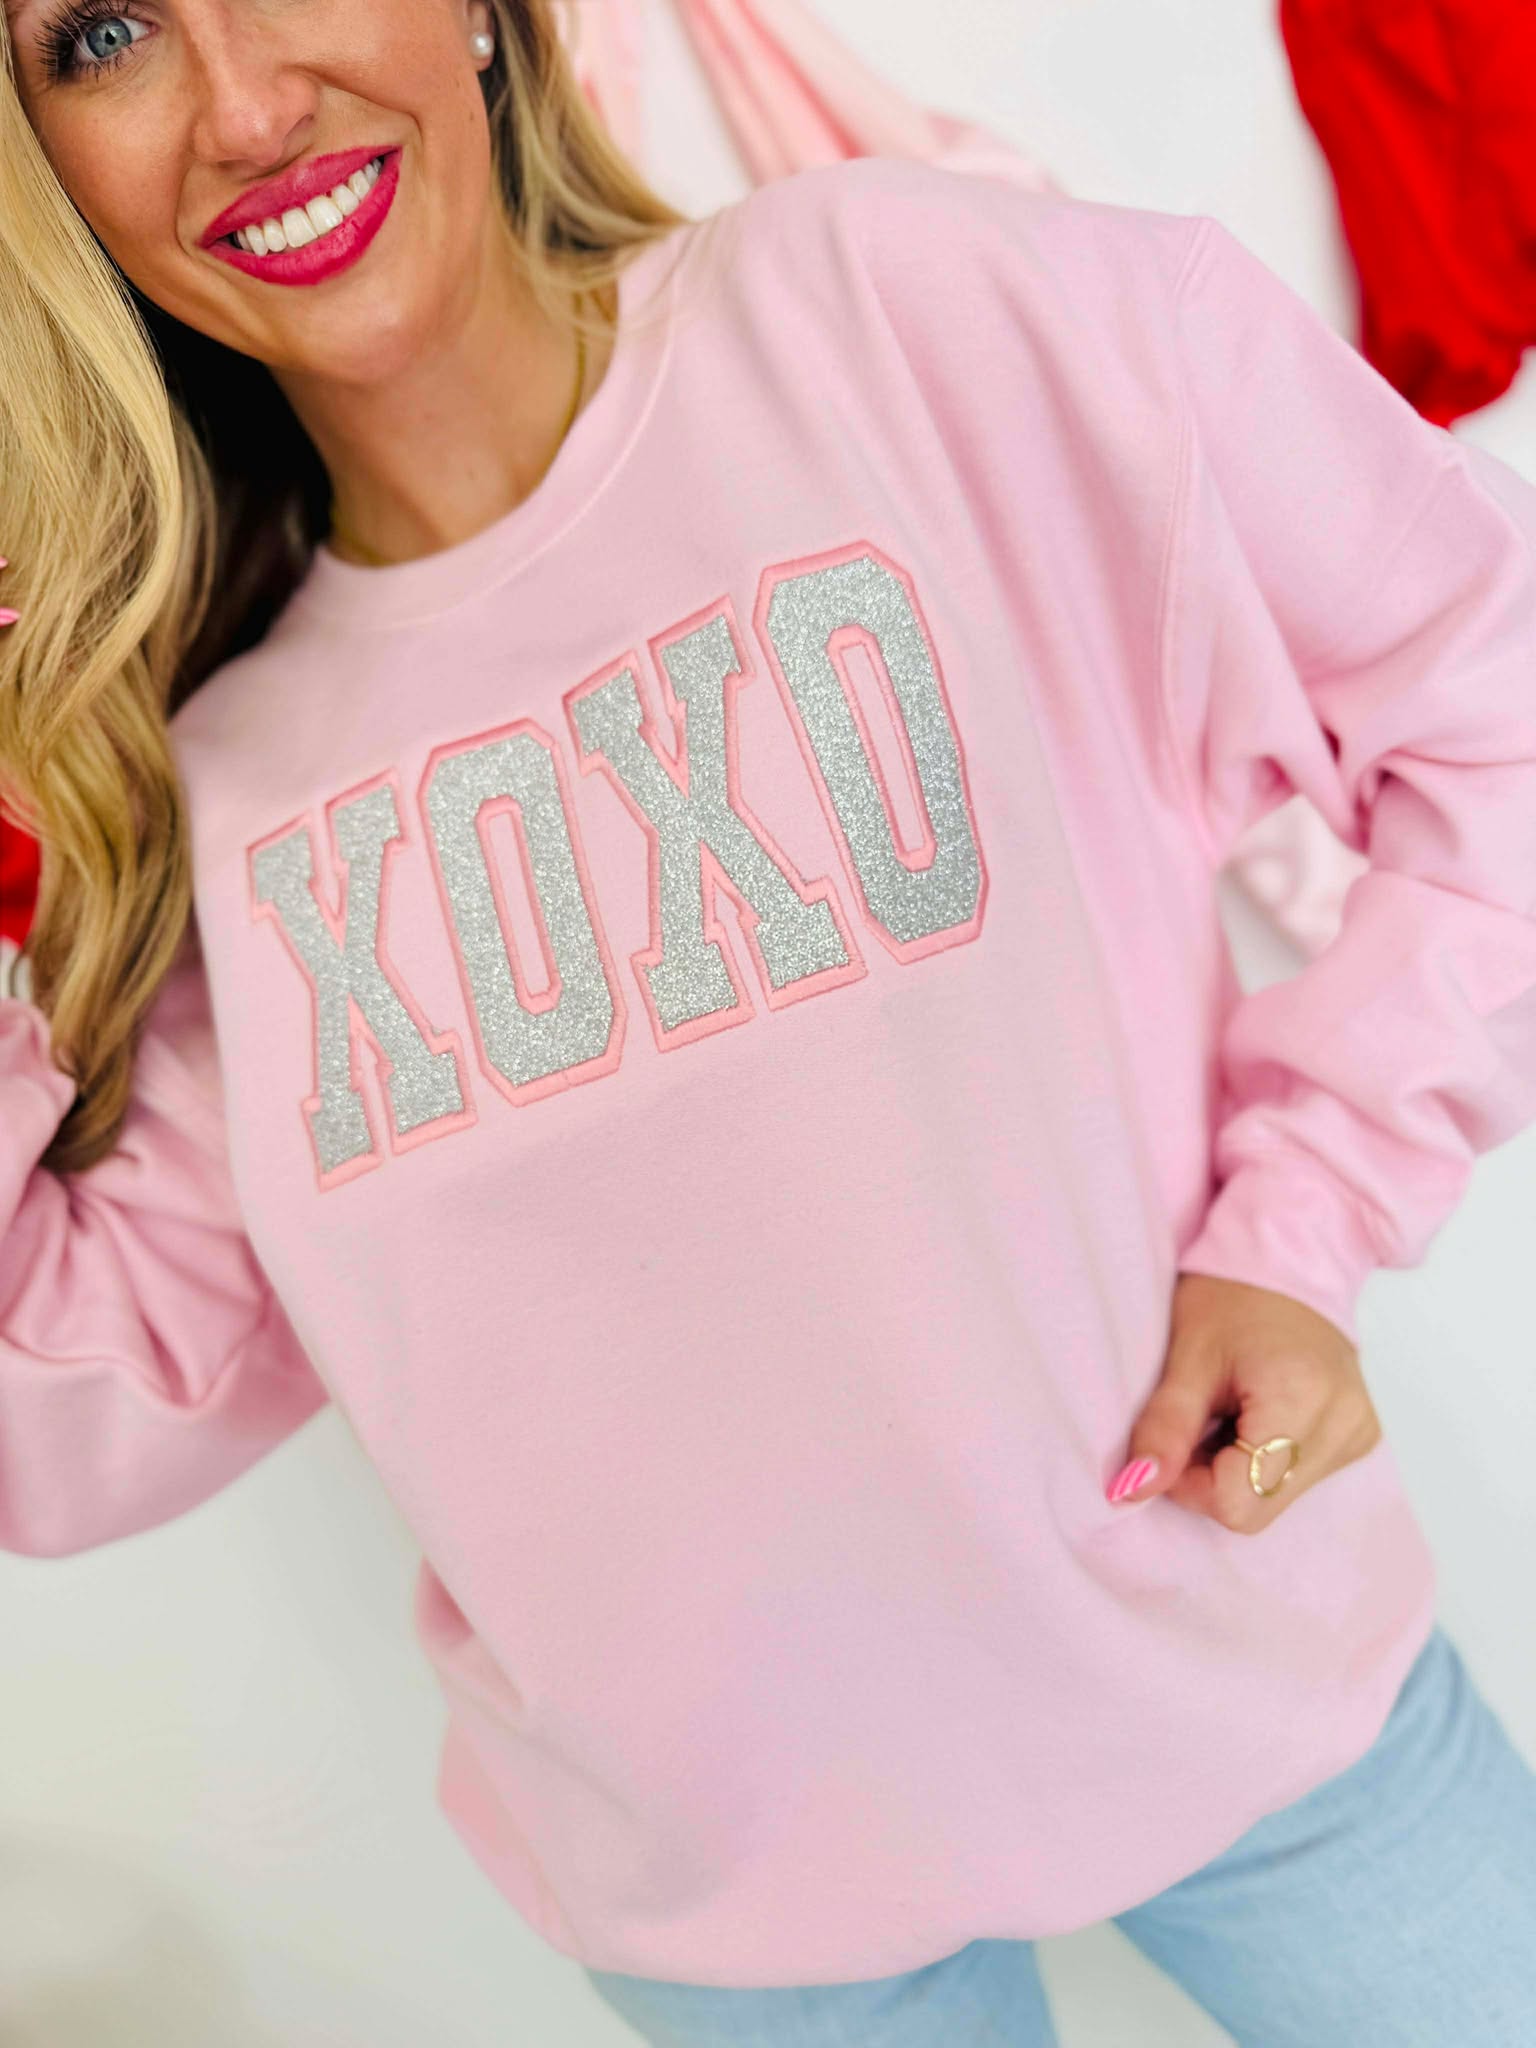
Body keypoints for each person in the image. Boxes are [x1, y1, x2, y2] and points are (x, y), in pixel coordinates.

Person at [2, 4, 1534, 2042]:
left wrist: (1309, 1219)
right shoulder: (222, 792)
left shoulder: (916, 321)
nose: (247, 103)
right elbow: (53, 1418)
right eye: (100, 34)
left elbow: (1495, 703)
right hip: (745, 1935)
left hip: (1264, 1701)